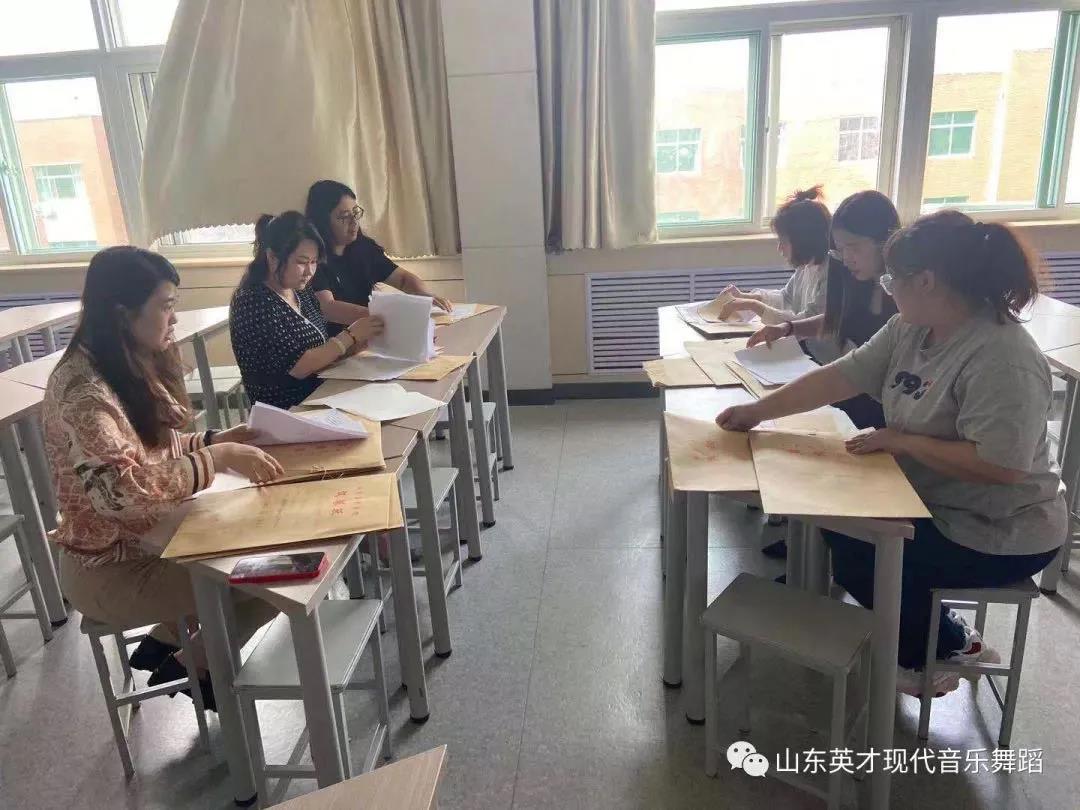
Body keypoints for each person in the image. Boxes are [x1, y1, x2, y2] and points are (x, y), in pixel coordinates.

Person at [716, 211, 1066, 696]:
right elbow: (840, 375)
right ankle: (921, 631)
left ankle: (953, 645)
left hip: (1000, 530)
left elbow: (1001, 467)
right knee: (840, 524)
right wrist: (758, 411)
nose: (886, 288)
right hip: (932, 498)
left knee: (864, 552)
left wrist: (902, 440)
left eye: (891, 278)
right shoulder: (911, 326)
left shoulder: (1003, 357)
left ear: (925, 281)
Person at [44, 246, 284, 709]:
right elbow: (121, 492)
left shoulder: (122, 361)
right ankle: (196, 663)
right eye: (165, 306)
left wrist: (213, 440)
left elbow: (153, 448)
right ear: (123, 313)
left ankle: (169, 639)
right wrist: (215, 458)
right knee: (273, 580)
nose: (174, 318)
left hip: (154, 538)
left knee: (266, 558)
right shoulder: (83, 392)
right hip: (112, 568)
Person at [747, 190, 901, 429]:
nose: (846, 258)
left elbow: (857, 370)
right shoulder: (857, 281)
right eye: (840, 249)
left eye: (854, 247)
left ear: (886, 240)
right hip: (856, 392)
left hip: (883, 407)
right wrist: (788, 328)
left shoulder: (904, 297)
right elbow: (836, 320)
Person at [230, 211, 382, 410]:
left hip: (319, 397)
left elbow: (320, 349)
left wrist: (355, 347)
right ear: (272, 257)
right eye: (301, 262)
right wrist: (350, 336)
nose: (309, 272)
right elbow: (298, 367)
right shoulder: (252, 301)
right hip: (286, 411)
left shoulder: (300, 291)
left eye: (314, 262)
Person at [304, 179, 452, 334]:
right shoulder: (311, 258)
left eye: (355, 213)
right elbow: (328, 308)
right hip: (335, 341)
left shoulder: (364, 248)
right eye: (344, 217)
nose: (354, 222)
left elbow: (403, 279)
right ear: (322, 220)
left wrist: (424, 296)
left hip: (368, 335)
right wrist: (384, 317)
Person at [716, 186, 830, 330]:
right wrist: (746, 297)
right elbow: (785, 298)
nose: (779, 248)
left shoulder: (830, 273)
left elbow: (806, 323)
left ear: (802, 241)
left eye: (783, 242)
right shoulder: (805, 266)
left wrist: (754, 305)